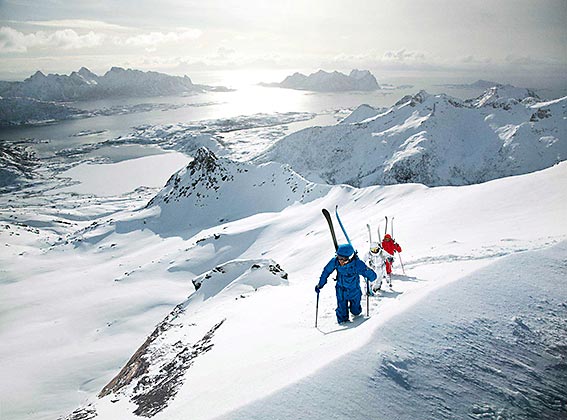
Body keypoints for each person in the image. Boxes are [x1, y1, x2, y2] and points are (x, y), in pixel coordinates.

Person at [315, 243, 377, 324]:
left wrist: (369, 274)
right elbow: (326, 271)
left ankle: (356, 315)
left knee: (356, 311)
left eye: (343, 259)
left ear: (350, 258)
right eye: (339, 257)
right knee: (342, 312)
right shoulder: (335, 261)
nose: (340, 261)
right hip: (341, 290)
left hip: (354, 290)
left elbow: (373, 276)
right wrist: (320, 284)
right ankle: (344, 329)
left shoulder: (357, 264)